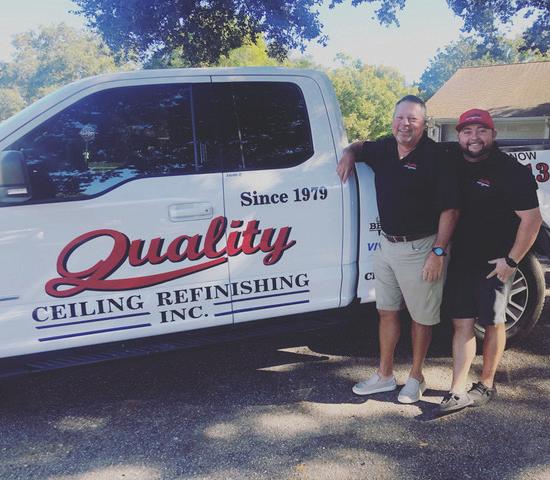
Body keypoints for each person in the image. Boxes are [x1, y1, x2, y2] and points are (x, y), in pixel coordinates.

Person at [337, 95, 460, 403]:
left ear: (424, 124)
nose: (405, 124)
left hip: (422, 248)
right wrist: (349, 153)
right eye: (400, 118)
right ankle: (385, 375)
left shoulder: (437, 157)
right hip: (387, 246)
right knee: (386, 312)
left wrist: (438, 252)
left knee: (421, 318)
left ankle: (416, 378)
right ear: (393, 121)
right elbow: (360, 146)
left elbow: (451, 210)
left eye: (412, 119)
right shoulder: (383, 148)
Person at [439, 109, 542, 412]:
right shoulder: (453, 162)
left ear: (493, 135)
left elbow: (532, 220)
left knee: (493, 323)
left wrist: (511, 261)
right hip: (461, 259)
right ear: (459, 136)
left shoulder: (510, 170)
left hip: (495, 263)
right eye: (467, 131)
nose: (474, 138)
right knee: (462, 323)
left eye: (481, 131)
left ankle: (486, 383)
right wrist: (354, 150)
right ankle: (457, 389)